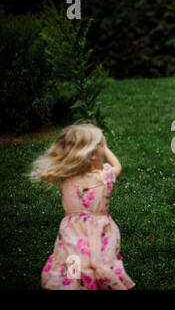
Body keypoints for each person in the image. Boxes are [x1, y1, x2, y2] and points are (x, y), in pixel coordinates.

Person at [30, 123, 135, 289]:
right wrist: (107, 148)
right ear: (92, 155)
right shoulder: (104, 177)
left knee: (73, 261)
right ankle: (103, 280)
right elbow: (118, 167)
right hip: (102, 232)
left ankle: (71, 286)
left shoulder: (65, 179)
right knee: (102, 262)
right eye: (100, 145)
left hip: (72, 231)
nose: (103, 147)